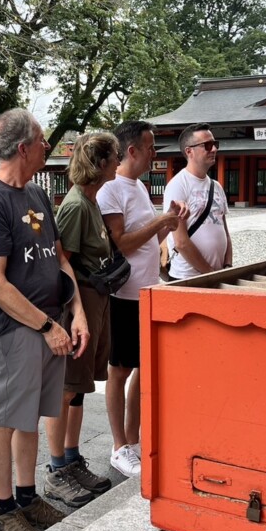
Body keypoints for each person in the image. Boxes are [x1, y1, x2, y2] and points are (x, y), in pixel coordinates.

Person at [0, 108, 89, 531]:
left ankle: (27, 495)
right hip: (22, 328)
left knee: (30, 418)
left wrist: (77, 312)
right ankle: (5, 510)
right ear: (23, 148)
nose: (48, 147)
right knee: (5, 419)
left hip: (52, 321)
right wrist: (45, 326)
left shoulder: (37, 194)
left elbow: (59, 260)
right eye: (42, 141)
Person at [96, 121, 187, 477]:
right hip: (122, 294)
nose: (154, 153)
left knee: (142, 369)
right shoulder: (111, 190)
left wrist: (170, 223)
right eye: (150, 147)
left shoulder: (138, 187)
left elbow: (147, 238)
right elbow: (122, 242)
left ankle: (133, 438)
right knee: (119, 369)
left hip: (146, 290)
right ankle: (119, 444)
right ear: (131, 150)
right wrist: (160, 222)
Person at [43, 132, 120, 507]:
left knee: (80, 388)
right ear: (101, 163)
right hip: (82, 302)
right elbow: (63, 262)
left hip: (96, 299)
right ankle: (57, 467)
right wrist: (73, 313)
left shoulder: (89, 202)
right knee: (67, 388)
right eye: (115, 156)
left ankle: (71, 458)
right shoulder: (76, 205)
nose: (119, 162)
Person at [165, 124, 232, 278]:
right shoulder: (178, 185)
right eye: (207, 145)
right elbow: (180, 241)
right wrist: (210, 273)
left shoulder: (216, 186)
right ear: (189, 151)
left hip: (218, 272)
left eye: (215, 144)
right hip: (188, 276)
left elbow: (225, 232)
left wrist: (228, 265)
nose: (214, 149)